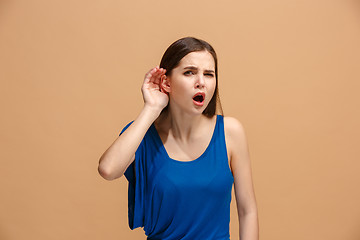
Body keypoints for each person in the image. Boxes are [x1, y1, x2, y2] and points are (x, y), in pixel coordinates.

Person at [98, 37, 259, 240]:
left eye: (209, 74)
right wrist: (152, 108)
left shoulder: (230, 132)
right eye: (189, 72)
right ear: (167, 82)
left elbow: (247, 211)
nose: (201, 82)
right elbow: (108, 169)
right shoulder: (143, 135)